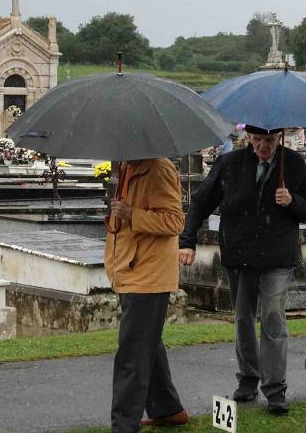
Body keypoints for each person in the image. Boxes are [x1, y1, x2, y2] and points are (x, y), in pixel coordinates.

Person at [179, 126, 306, 415]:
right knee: (243, 318)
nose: (263, 146)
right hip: (239, 253)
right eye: (257, 140)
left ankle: (275, 388)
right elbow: (202, 200)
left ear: (279, 138)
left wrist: (292, 201)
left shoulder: (292, 163)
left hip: (278, 255)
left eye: (269, 140)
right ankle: (248, 378)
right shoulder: (230, 164)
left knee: (272, 317)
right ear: (248, 139)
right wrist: (188, 240)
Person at [107, 158, 188, 432]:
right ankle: (168, 409)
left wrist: (131, 214)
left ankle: (123, 426)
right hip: (130, 270)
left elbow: (175, 221)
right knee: (146, 345)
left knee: (132, 354)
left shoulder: (158, 169)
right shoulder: (128, 166)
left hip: (149, 276)